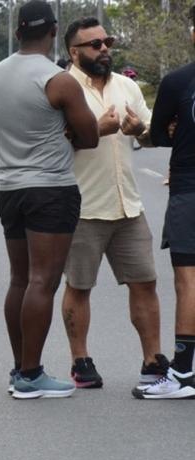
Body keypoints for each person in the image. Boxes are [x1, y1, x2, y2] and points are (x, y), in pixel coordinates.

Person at [0, 0, 98, 399]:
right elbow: (89, 137)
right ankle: (31, 376)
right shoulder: (59, 80)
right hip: (50, 188)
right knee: (43, 281)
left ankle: (20, 368)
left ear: (17, 33)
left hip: (8, 187)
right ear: (54, 32)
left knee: (19, 278)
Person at [59, 17, 168, 392]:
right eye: (94, 44)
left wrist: (140, 131)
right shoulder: (62, 88)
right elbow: (50, 144)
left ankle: (153, 360)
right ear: (74, 52)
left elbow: (152, 135)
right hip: (83, 207)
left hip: (128, 206)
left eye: (107, 42)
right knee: (79, 285)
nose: (104, 48)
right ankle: (80, 360)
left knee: (145, 283)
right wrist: (95, 130)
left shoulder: (127, 86)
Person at [142, 3, 195, 399]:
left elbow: (158, 134)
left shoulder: (178, 81)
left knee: (188, 278)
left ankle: (181, 375)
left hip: (190, 188)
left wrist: (178, 127)